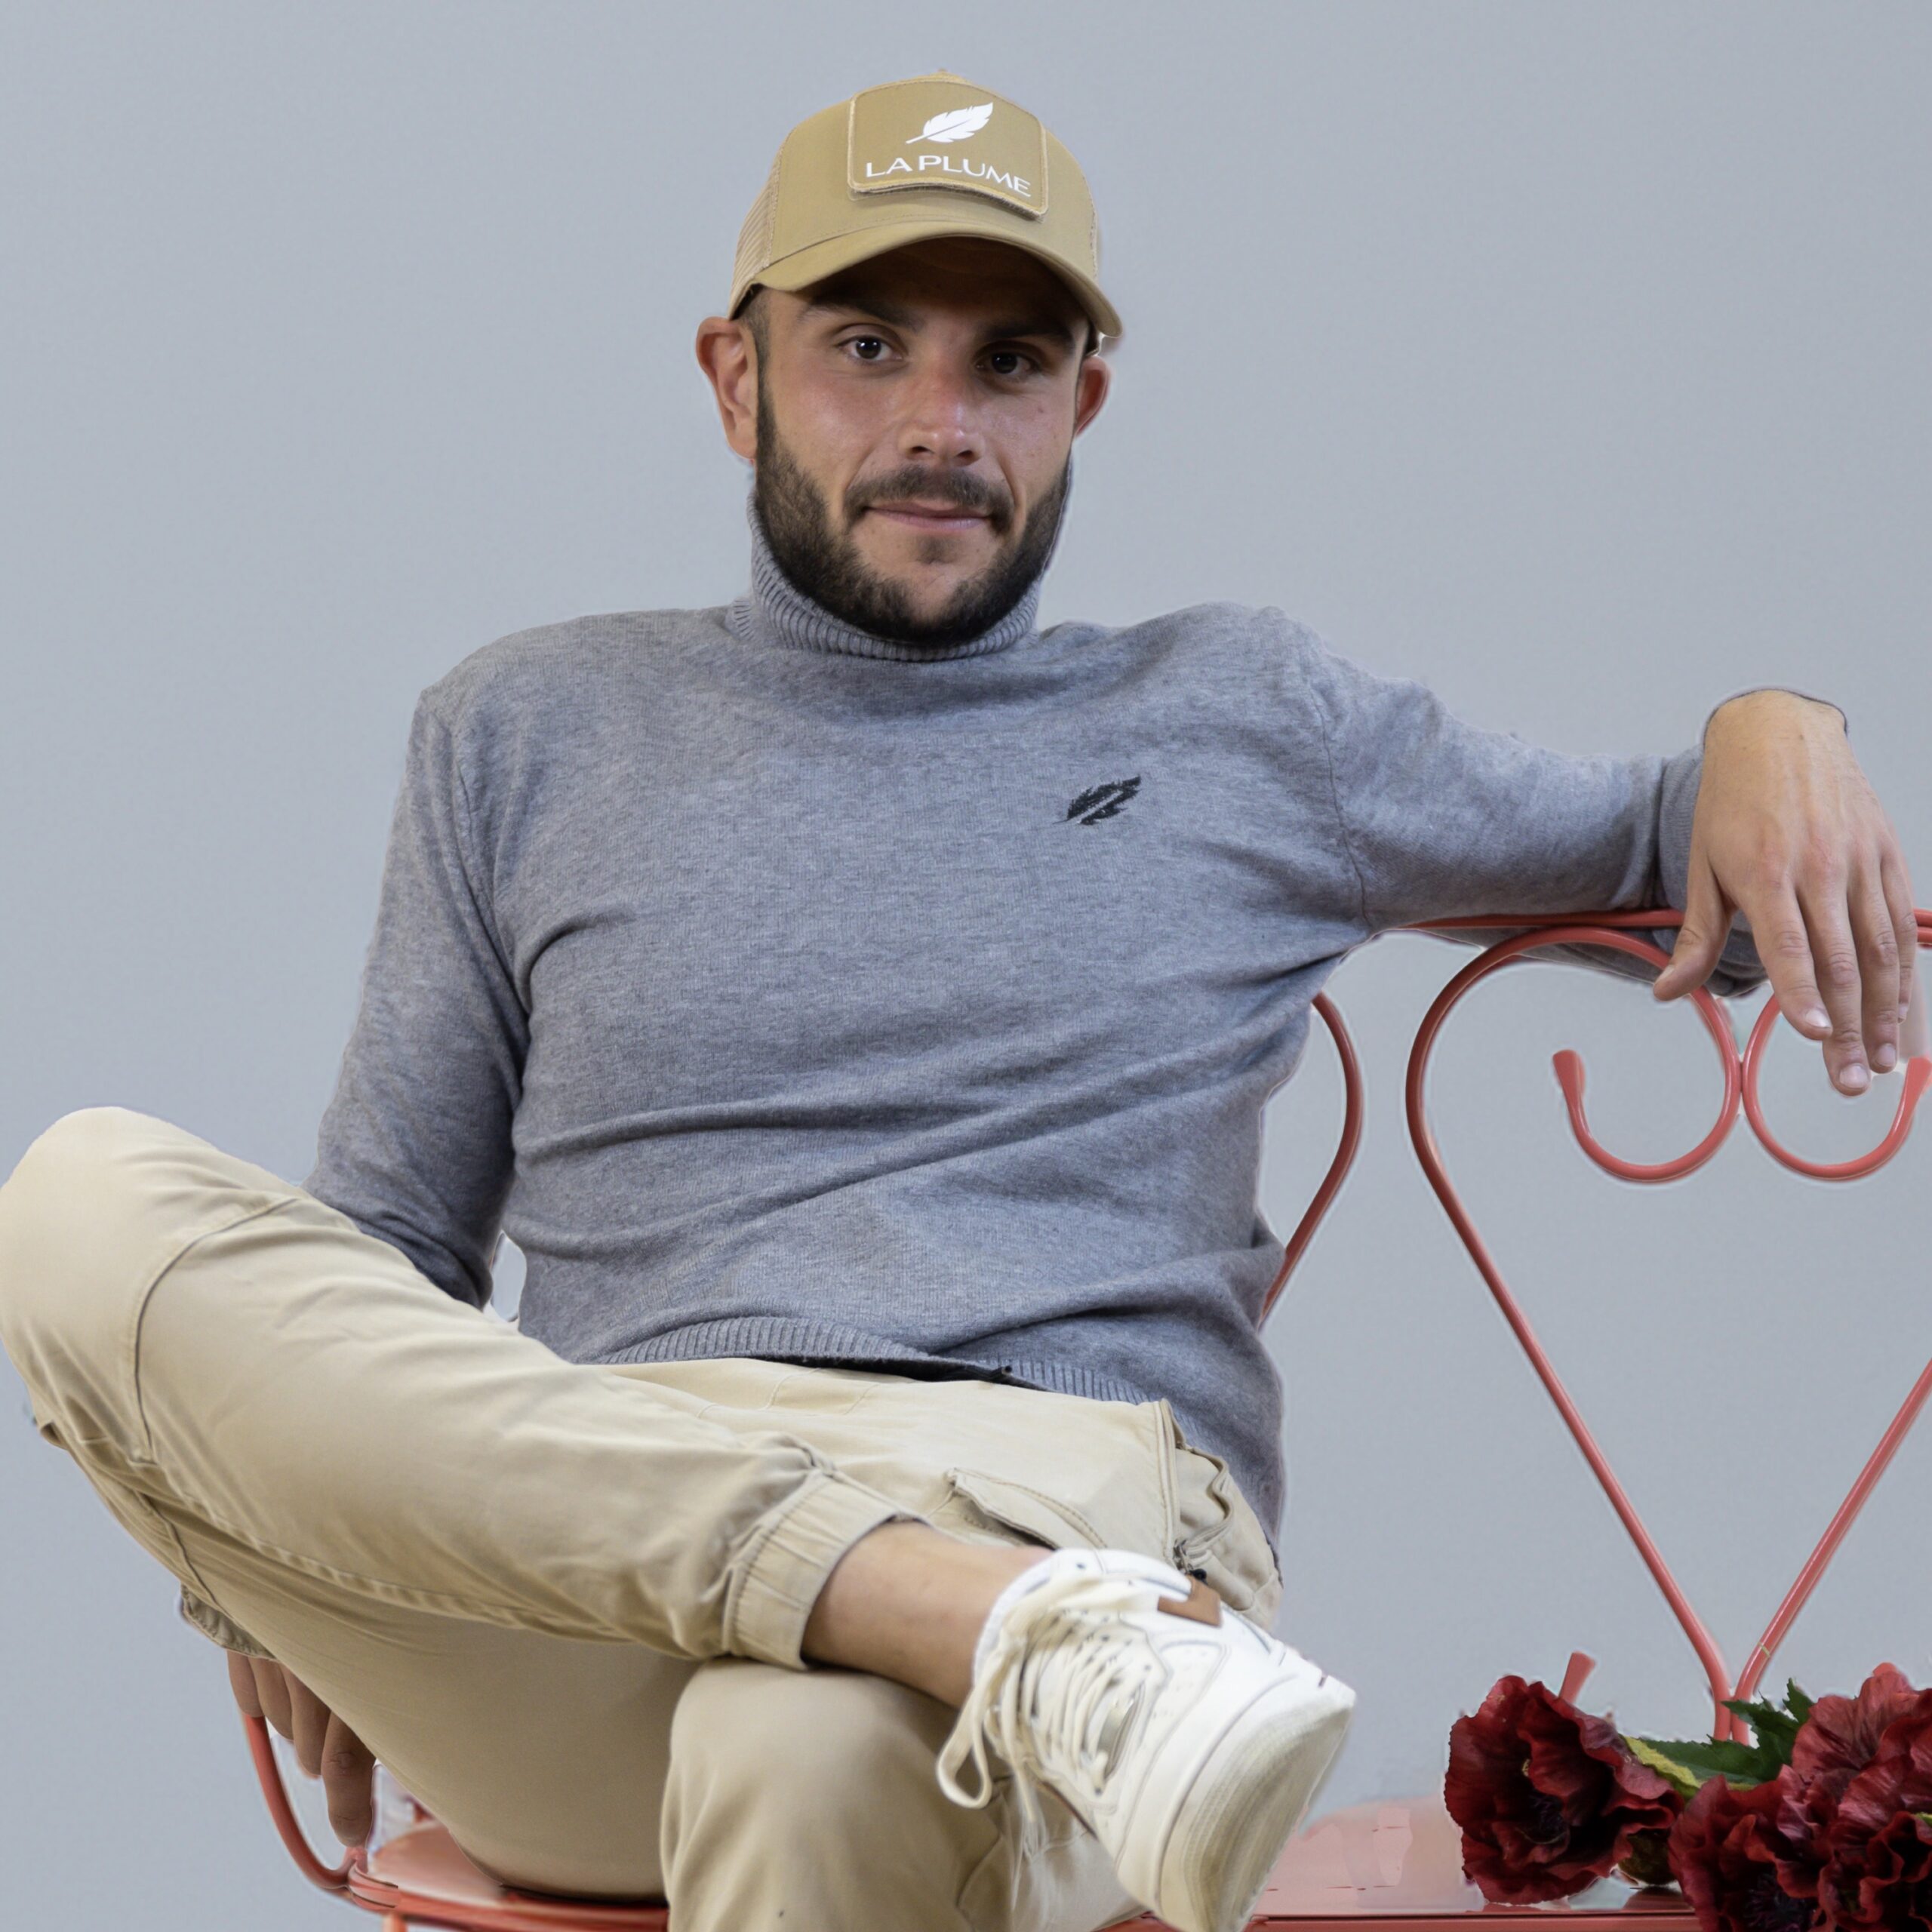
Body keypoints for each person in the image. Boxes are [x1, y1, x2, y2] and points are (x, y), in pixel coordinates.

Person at [0, 67, 1918, 1932]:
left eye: (1006, 361)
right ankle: (965, 1619)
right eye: (865, 346)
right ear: (734, 375)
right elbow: (376, 1261)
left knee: (803, 1751)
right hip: (594, 1560)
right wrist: (269, 1543)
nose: (940, 421)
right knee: (76, 1197)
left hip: (1047, 1487)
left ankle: (996, 1618)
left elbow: (1690, 859)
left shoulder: (1236, 716)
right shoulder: (521, 728)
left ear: (1082, 401)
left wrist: (1776, 719)